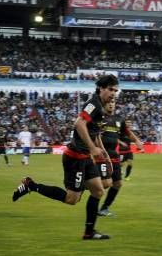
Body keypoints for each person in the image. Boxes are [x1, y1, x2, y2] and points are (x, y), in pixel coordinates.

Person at [11, 75, 120, 240]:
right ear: (101, 88)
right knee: (71, 199)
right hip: (75, 157)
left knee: (98, 191)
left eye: (115, 90)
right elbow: (79, 124)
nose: (113, 93)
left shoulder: (102, 108)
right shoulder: (94, 104)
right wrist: (92, 147)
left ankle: (89, 232)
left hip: (85, 157)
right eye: (110, 89)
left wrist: (102, 151)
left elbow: (95, 132)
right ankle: (31, 185)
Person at [98, 98, 144, 218]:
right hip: (102, 155)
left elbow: (128, 132)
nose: (111, 105)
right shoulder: (99, 117)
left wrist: (137, 141)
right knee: (105, 184)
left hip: (114, 155)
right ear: (104, 105)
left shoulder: (119, 119)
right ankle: (84, 187)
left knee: (117, 183)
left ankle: (104, 208)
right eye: (108, 103)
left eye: (113, 103)